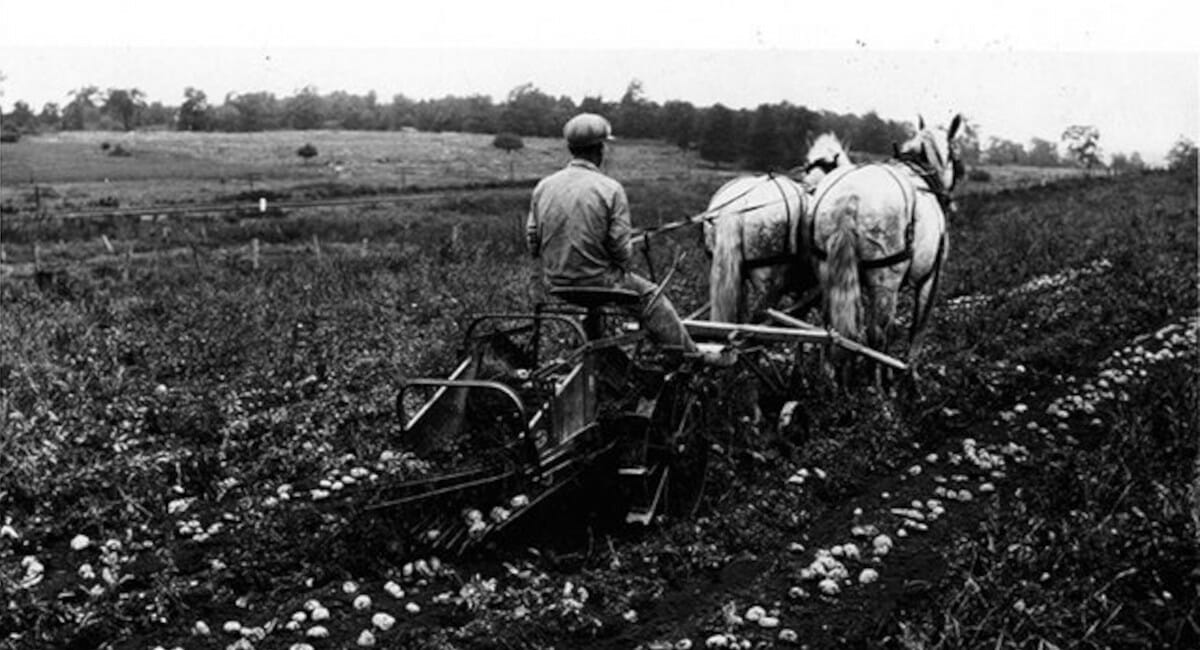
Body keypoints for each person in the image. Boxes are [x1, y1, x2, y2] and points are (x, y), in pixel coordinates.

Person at [526, 113, 727, 365]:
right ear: (600, 150)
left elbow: (532, 240)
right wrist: (615, 262)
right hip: (598, 283)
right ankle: (689, 357)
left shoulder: (544, 186)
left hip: (556, 284)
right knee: (652, 298)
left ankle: (598, 351)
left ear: (571, 149)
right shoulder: (610, 189)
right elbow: (621, 251)